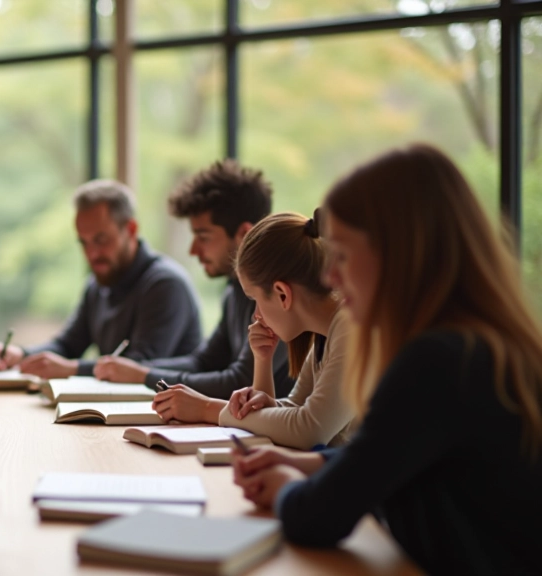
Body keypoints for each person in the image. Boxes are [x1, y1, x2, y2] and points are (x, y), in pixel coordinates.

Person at [232, 144, 542, 574]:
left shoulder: (436, 361)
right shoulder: (481, 344)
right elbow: (394, 452)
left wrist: (285, 484)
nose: (331, 277)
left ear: (396, 251)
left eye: (341, 255)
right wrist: (308, 462)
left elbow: (317, 517)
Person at [151, 212, 356, 450]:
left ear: (282, 293)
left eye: (255, 299)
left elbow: (309, 429)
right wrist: (262, 360)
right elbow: (294, 410)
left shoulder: (353, 327)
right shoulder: (326, 333)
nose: (256, 314)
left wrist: (207, 409)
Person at [94, 160, 292, 399]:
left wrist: (142, 376)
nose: (193, 250)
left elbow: (241, 382)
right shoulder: (234, 292)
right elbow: (204, 362)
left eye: (203, 236)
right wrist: (138, 371)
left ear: (243, 234)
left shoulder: (278, 295)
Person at [0, 179, 201, 378]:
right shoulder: (98, 283)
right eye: (84, 243)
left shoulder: (165, 285)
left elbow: (139, 365)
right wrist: (22, 355)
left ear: (131, 229)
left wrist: (72, 369)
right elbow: (68, 346)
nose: (91, 254)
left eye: (101, 240)